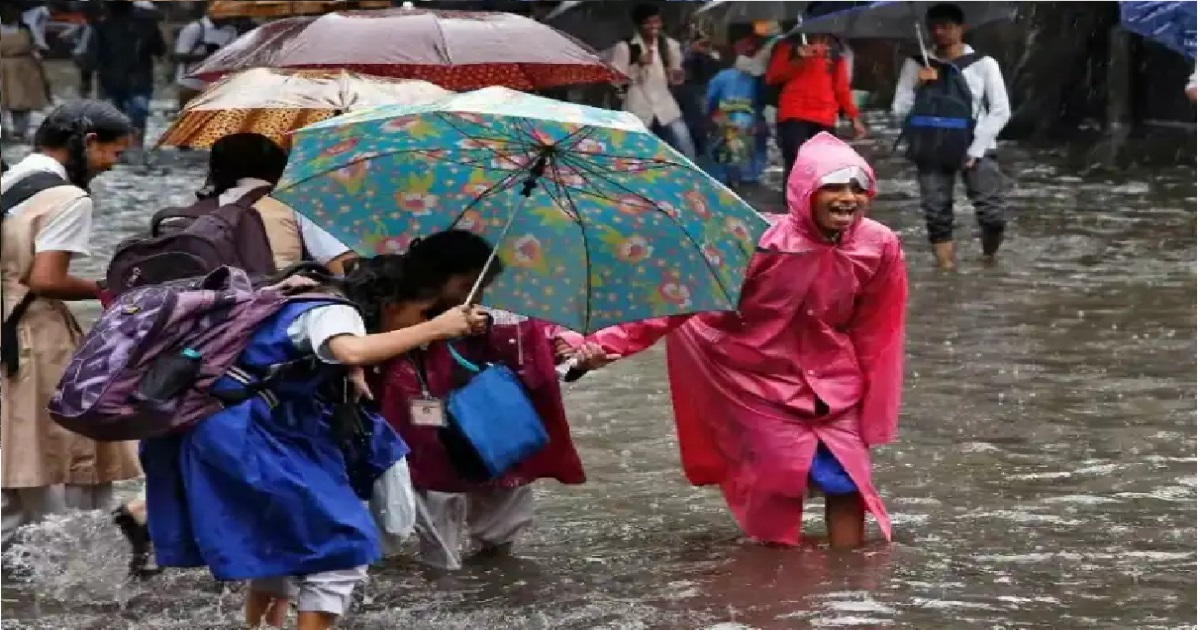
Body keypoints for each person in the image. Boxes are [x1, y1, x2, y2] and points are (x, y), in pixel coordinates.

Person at [566, 133, 908, 550]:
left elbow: (878, 328)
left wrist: (874, 404)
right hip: (750, 374)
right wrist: (606, 345)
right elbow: (679, 298)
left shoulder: (879, 245)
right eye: (834, 186)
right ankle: (783, 591)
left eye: (858, 187)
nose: (848, 198)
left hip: (832, 379)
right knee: (778, 483)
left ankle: (847, 589)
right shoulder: (755, 240)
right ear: (804, 191)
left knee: (848, 480)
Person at [140, 249, 495, 630]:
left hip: (223, 426)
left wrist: (354, 369)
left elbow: (324, 351)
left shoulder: (309, 295)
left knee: (281, 544)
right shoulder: (335, 311)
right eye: (421, 312)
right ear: (392, 302)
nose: (420, 323)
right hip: (248, 434)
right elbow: (348, 346)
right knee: (341, 547)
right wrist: (436, 328)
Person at [112, 132, 357, 576]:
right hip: (264, 345)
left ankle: (151, 512)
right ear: (277, 168)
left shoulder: (192, 214)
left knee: (199, 434)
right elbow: (344, 269)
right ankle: (269, 557)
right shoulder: (293, 205)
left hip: (190, 351)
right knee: (280, 445)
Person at [375, 232, 590, 570]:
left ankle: (493, 569)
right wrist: (438, 327)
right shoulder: (397, 303)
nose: (477, 293)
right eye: (467, 284)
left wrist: (573, 360)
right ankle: (441, 578)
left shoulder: (512, 312)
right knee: (433, 502)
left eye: (483, 285)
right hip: (423, 427)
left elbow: (543, 360)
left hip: (493, 425)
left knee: (502, 506)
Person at [1, 101, 142, 550]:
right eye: (114, 155)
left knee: (15, 451)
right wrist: (108, 290)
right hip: (34, 333)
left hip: (6, 321)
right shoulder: (69, 198)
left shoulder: (12, 178)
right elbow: (45, 279)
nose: (111, 167)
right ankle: (70, 565)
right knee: (63, 451)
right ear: (89, 143)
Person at [891, 3, 1011, 270]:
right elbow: (899, 111)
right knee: (936, 213)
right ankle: (946, 270)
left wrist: (976, 148)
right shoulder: (917, 64)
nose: (940, 32)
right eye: (934, 27)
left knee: (992, 214)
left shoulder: (984, 64)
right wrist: (919, 87)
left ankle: (988, 258)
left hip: (976, 146)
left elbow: (1001, 110)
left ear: (961, 28)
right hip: (931, 145)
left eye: (947, 26)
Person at [766, 30, 867, 200]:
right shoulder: (788, 46)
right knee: (796, 163)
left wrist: (854, 118)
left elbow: (841, 89)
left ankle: (817, 207)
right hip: (794, 113)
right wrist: (800, 59)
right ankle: (792, 207)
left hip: (825, 117)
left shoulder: (835, 52)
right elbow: (773, 77)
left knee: (825, 167)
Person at [606, 3, 697, 159]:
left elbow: (676, 77)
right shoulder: (626, 47)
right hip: (638, 104)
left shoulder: (668, 45)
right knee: (636, 148)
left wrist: (676, 75)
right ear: (639, 24)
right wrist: (637, 64)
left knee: (683, 141)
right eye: (649, 22)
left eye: (657, 22)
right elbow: (615, 79)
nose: (654, 26)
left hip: (664, 103)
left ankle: (692, 176)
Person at [89, 0, 166, 149]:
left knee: (120, 116)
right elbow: (160, 50)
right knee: (135, 115)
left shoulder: (102, 26)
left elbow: (93, 57)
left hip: (118, 80)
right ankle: (133, 147)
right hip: (128, 79)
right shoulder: (146, 25)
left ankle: (127, 147)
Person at [704, 36, 770, 187]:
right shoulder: (759, 79)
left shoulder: (721, 77)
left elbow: (710, 102)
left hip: (727, 125)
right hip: (746, 127)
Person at [0, 3, 51, 143]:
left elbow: (40, 46)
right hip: (2, 68)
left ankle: (20, 132)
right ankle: (2, 131)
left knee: (21, 103)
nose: (11, 14)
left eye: (14, 11)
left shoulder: (27, 28)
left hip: (24, 69)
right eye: (7, 10)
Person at [172, 12, 239, 111]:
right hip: (191, 84)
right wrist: (209, 57)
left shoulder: (231, 31)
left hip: (216, 85)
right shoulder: (195, 29)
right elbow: (179, 56)